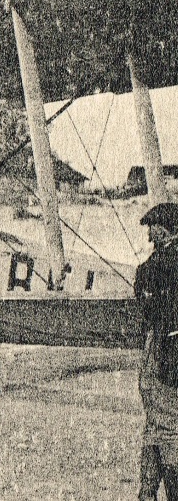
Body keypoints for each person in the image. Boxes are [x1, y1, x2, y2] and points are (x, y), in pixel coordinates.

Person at [135, 202, 178, 500]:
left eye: (153, 228)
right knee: (159, 424)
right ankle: (147, 492)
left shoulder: (161, 262)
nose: (149, 234)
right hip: (168, 347)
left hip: (164, 351)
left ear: (164, 229)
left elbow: (144, 282)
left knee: (164, 425)